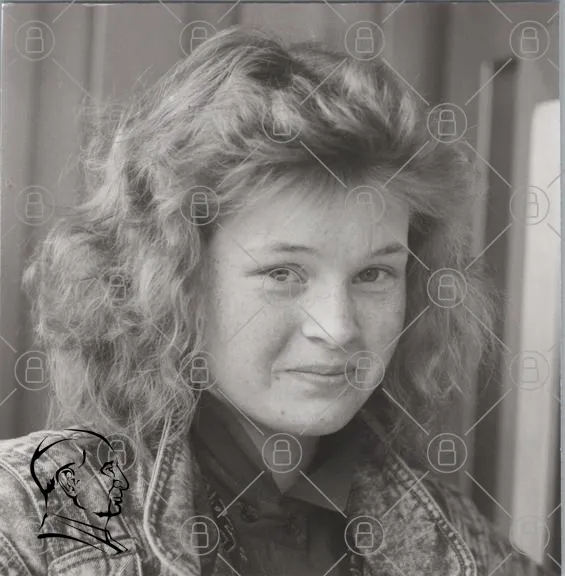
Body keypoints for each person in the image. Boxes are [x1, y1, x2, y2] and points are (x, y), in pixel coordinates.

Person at [0, 25, 556, 576]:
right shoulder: (26, 526)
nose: (337, 327)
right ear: (172, 282)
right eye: (283, 273)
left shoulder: (458, 542)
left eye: (374, 274)